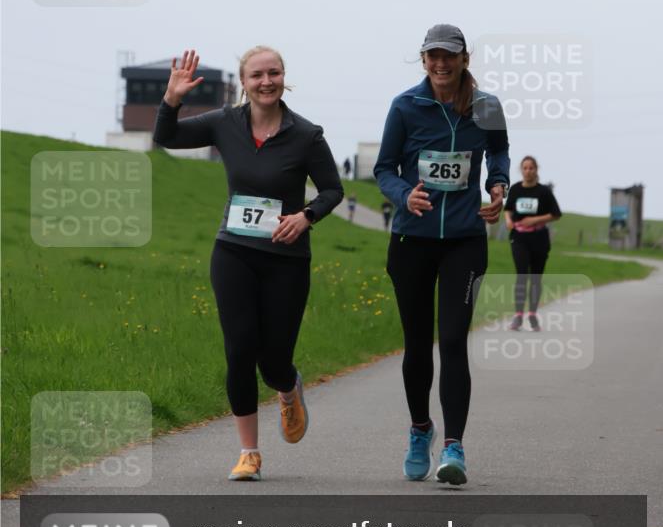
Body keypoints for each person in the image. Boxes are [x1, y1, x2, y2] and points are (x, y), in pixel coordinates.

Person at [153, 47, 343, 481]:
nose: (266, 81)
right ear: (244, 81)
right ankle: (249, 453)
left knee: (273, 361)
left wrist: (306, 216)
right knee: (239, 351)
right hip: (234, 251)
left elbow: (332, 190)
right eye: (257, 74)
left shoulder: (307, 134)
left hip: (286, 259)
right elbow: (166, 137)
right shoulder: (225, 122)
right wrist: (171, 99)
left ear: (284, 77)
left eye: (274, 72)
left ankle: (288, 384)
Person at [374, 24, 510, 485]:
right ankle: (419, 430)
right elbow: (383, 168)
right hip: (412, 240)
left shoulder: (486, 106)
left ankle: (454, 447)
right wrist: (402, 195)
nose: (441, 63)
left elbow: (499, 152)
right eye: (433, 55)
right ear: (423, 58)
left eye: (449, 56)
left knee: (452, 340)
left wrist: (499, 185)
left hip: (465, 240)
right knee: (417, 343)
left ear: (464, 58)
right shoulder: (405, 106)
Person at [504, 157, 562, 332]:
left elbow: (556, 214)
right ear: (521, 170)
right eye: (525, 168)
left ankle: (532, 314)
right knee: (522, 275)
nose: (528, 171)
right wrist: (508, 220)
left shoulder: (543, 192)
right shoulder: (515, 189)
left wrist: (534, 219)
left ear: (537, 170)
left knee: (536, 278)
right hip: (519, 238)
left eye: (531, 168)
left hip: (539, 238)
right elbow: (508, 209)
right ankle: (518, 316)